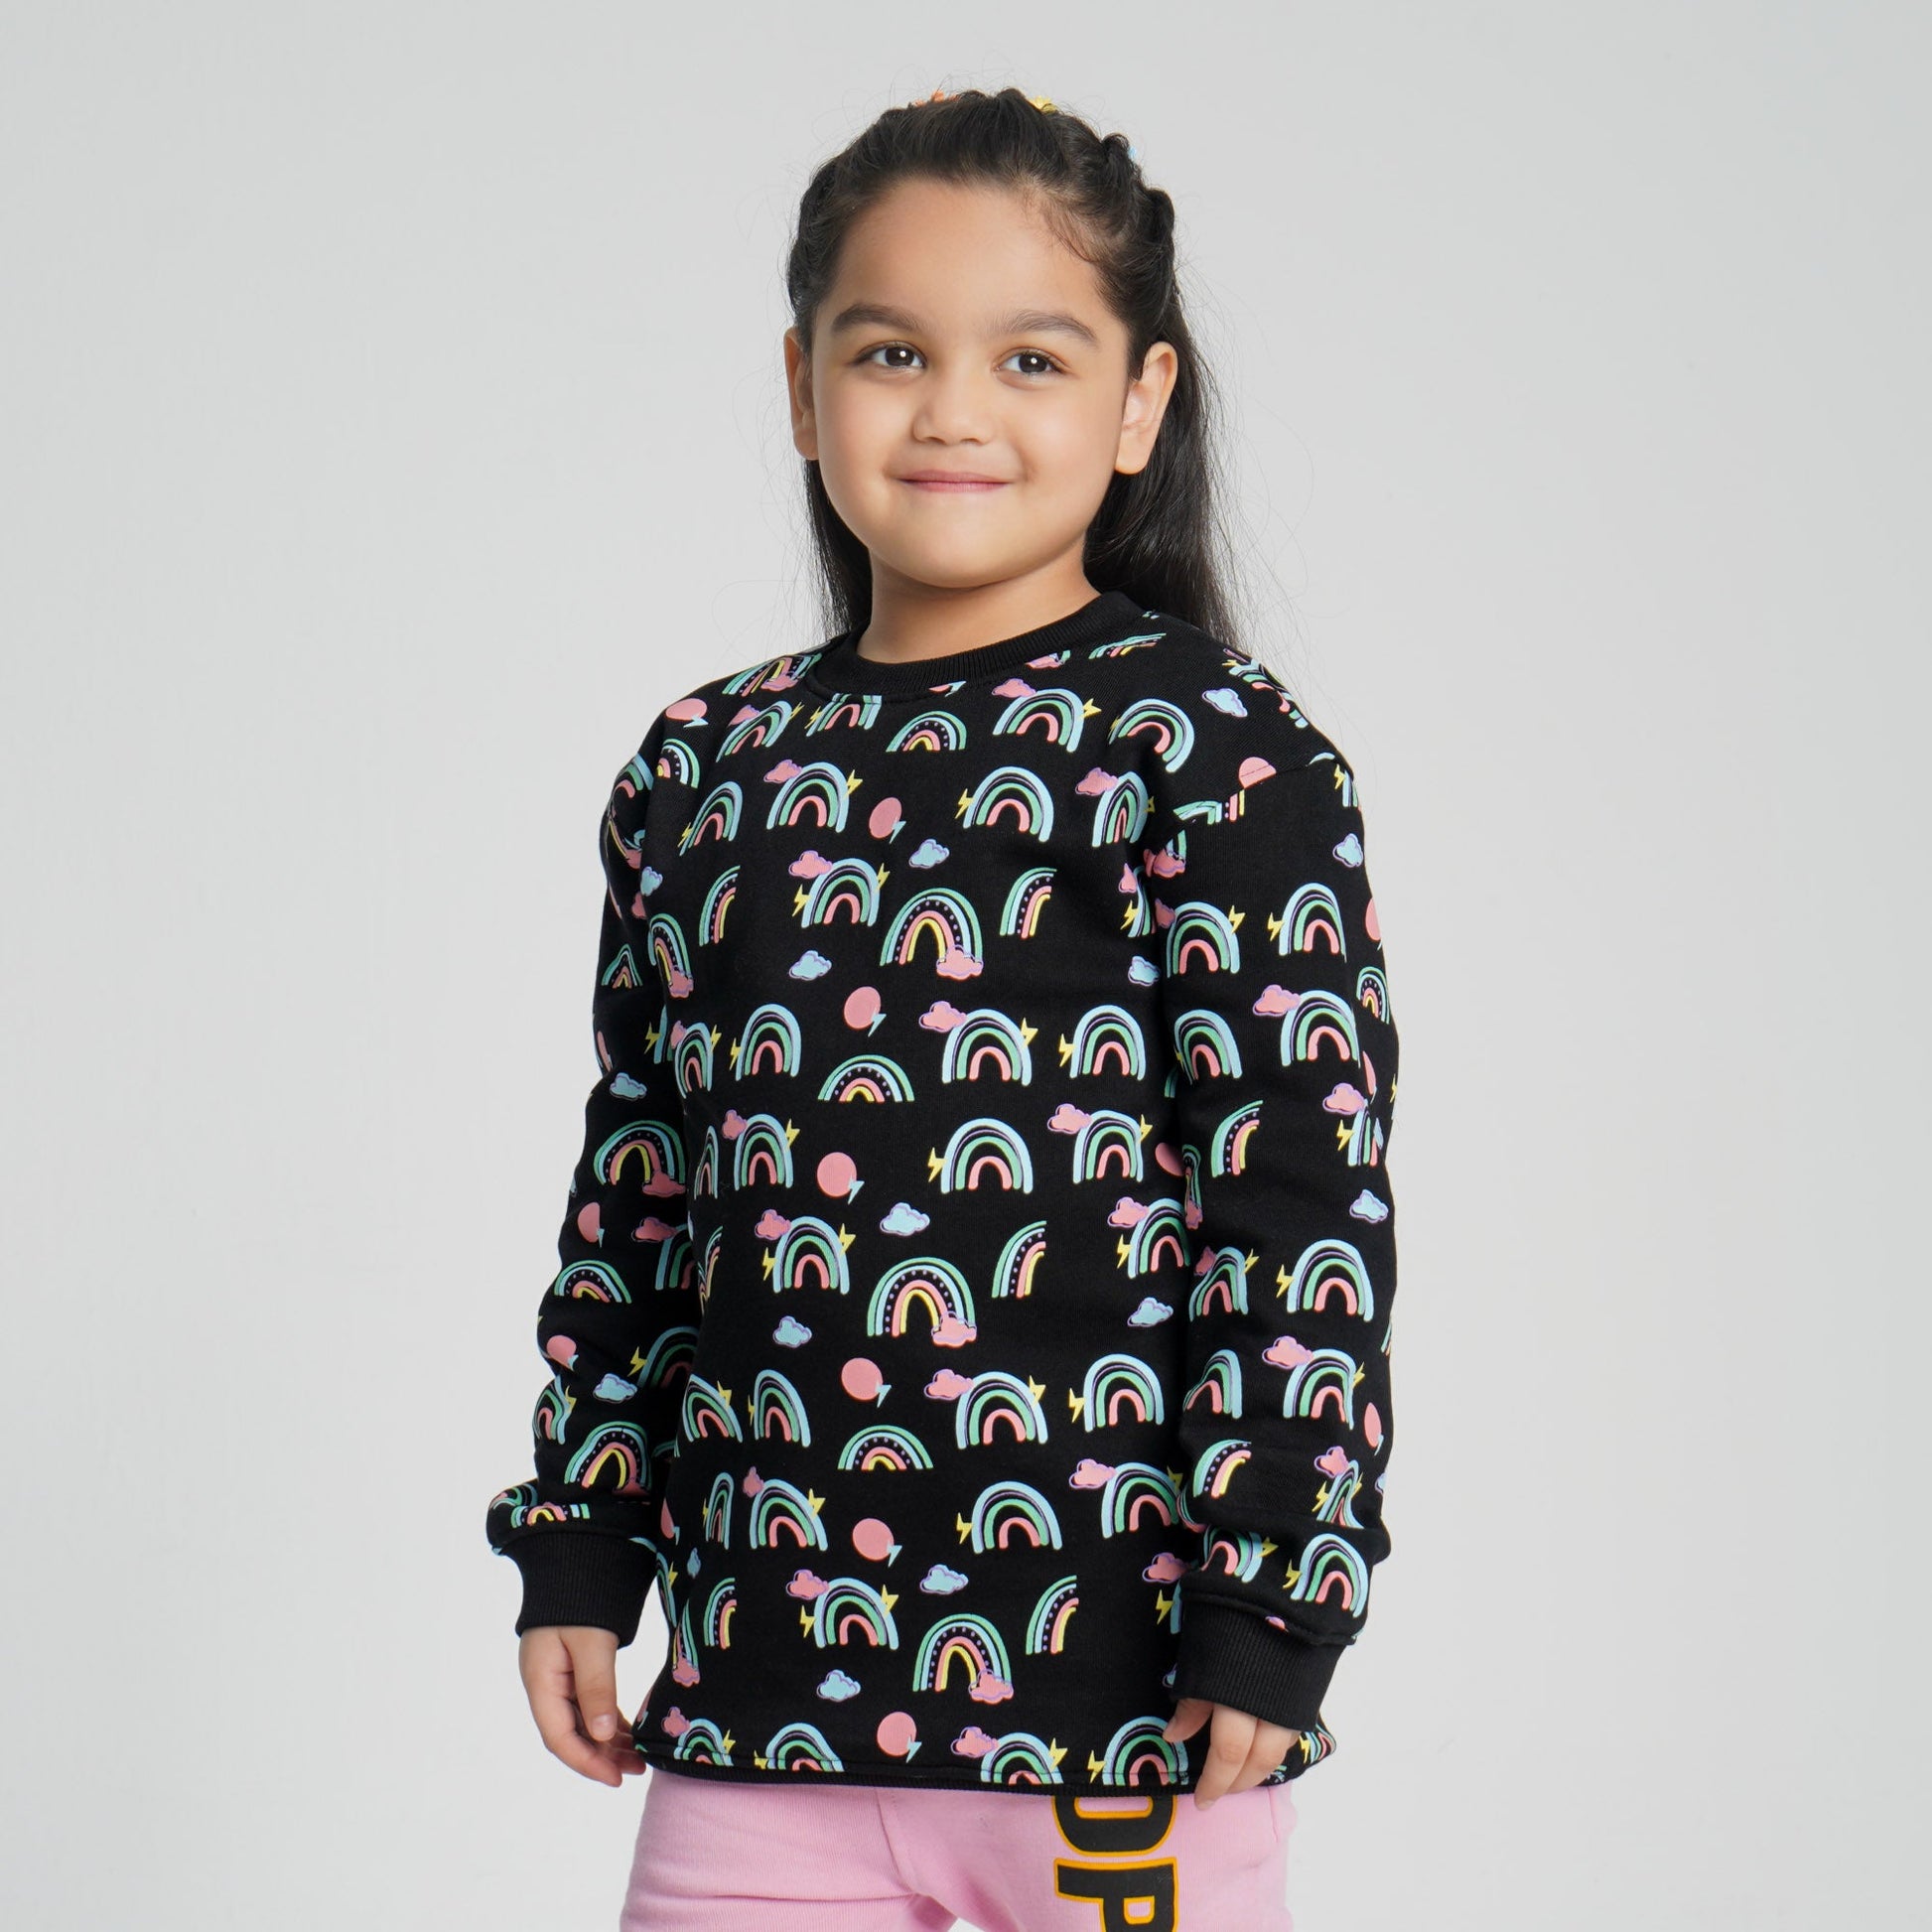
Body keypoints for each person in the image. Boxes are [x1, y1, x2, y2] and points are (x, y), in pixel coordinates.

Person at [483, 84, 1402, 1931]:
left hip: (1117, 1723)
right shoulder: (705, 764)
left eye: (1031, 358)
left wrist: (1274, 1593)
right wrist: (582, 1535)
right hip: (758, 1712)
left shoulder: (1210, 749)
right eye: (890, 350)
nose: (953, 410)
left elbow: (1298, 1205)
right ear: (802, 384)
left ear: (1139, 400)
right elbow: (643, 1188)